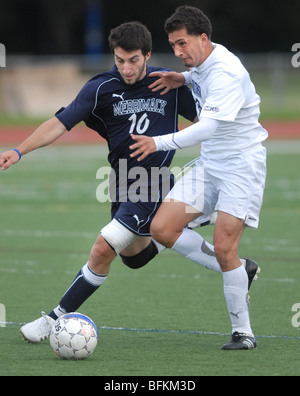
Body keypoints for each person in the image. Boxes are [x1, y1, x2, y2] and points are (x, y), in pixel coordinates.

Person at [0, 21, 215, 343]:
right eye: (119, 60)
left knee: (102, 249)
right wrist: (19, 151)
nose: (126, 68)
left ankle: (53, 319)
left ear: (147, 55)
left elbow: (207, 122)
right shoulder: (100, 88)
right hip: (122, 181)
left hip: (154, 180)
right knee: (134, 256)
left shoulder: (167, 84)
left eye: (133, 60)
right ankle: (182, 222)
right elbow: (60, 123)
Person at [130, 6, 267, 350]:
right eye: (173, 45)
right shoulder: (205, 63)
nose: (177, 52)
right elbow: (201, 76)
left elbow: (205, 127)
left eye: (182, 44)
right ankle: (239, 270)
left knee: (224, 248)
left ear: (202, 39)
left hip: (240, 167)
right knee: (162, 229)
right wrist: (184, 77)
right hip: (210, 165)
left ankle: (243, 333)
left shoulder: (226, 72)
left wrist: (158, 142)